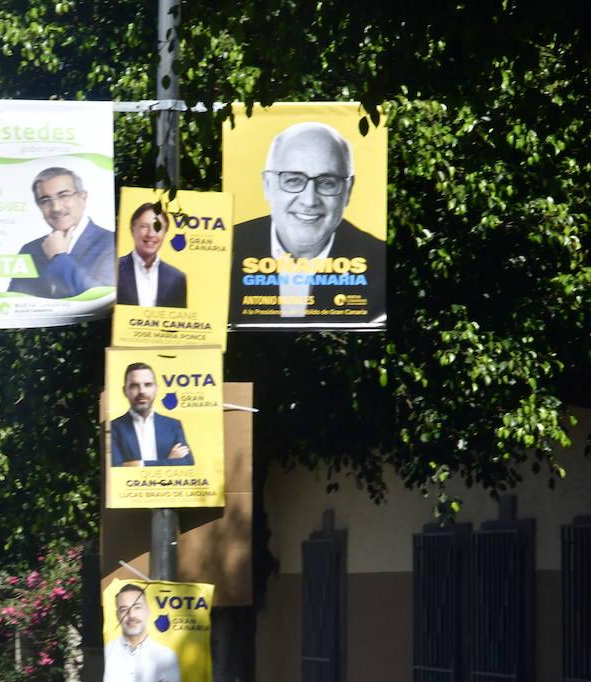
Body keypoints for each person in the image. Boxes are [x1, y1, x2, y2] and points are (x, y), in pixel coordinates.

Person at [229, 121, 385, 319]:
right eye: (293, 180)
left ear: (348, 190)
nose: (309, 200)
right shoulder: (227, 250)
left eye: (327, 183)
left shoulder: (380, 264)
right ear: (267, 185)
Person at [8, 166, 115, 300]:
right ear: (39, 206)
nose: (56, 208)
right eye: (46, 200)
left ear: (83, 197)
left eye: (63, 196)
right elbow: (15, 304)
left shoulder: (111, 242)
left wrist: (58, 257)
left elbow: (101, 301)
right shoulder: (29, 250)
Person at [109, 362, 194, 468]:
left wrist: (140, 464)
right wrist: (169, 462)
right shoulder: (114, 427)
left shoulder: (173, 425)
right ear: (125, 391)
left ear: (156, 389)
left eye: (148, 385)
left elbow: (187, 463)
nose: (142, 391)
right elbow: (116, 468)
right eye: (134, 386)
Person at [103, 584, 181, 682]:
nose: (131, 615)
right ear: (117, 616)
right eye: (124, 609)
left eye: (137, 607)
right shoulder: (106, 654)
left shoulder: (166, 655)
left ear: (148, 611)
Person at [116, 202, 187, 308]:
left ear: (165, 233)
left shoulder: (177, 279)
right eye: (144, 226)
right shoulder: (113, 269)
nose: (151, 234)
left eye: (157, 227)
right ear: (132, 229)